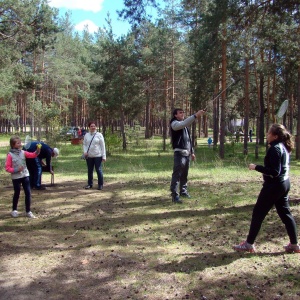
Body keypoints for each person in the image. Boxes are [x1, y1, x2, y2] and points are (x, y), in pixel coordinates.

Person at [233, 124, 299, 253]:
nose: (267, 135)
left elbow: (274, 172)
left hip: (274, 187)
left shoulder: (275, 149)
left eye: (269, 133)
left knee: (258, 214)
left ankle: (249, 244)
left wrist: (256, 167)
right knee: (286, 215)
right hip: (284, 184)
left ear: (275, 136)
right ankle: (294, 244)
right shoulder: (282, 146)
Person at [170, 108, 205, 203]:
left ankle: (183, 192)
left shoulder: (184, 126)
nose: (182, 114)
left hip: (187, 154)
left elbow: (189, 140)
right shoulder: (174, 123)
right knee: (177, 175)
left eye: (183, 112)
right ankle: (174, 195)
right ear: (175, 115)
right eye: (180, 113)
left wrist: (192, 152)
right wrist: (195, 115)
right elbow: (183, 123)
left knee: (184, 175)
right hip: (179, 154)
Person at [5, 136, 41, 218]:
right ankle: (14, 210)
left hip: (25, 175)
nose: (20, 144)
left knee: (28, 193)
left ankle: (28, 211)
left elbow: (33, 155)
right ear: (13, 145)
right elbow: (7, 168)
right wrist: (16, 169)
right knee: (17, 193)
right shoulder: (10, 155)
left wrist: (38, 151)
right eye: (18, 143)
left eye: (20, 142)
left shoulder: (23, 152)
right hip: (16, 177)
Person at [83, 121, 106, 190]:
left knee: (98, 170)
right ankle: (90, 184)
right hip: (89, 156)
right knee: (90, 170)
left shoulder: (99, 135)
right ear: (89, 127)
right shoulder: (86, 135)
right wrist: (85, 152)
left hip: (98, 155)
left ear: (96, 127)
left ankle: (100, 184)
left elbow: (103, 146)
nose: (93, 127)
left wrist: (104, 156)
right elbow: (84, 144)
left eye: (94, 126)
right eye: (91, 126)